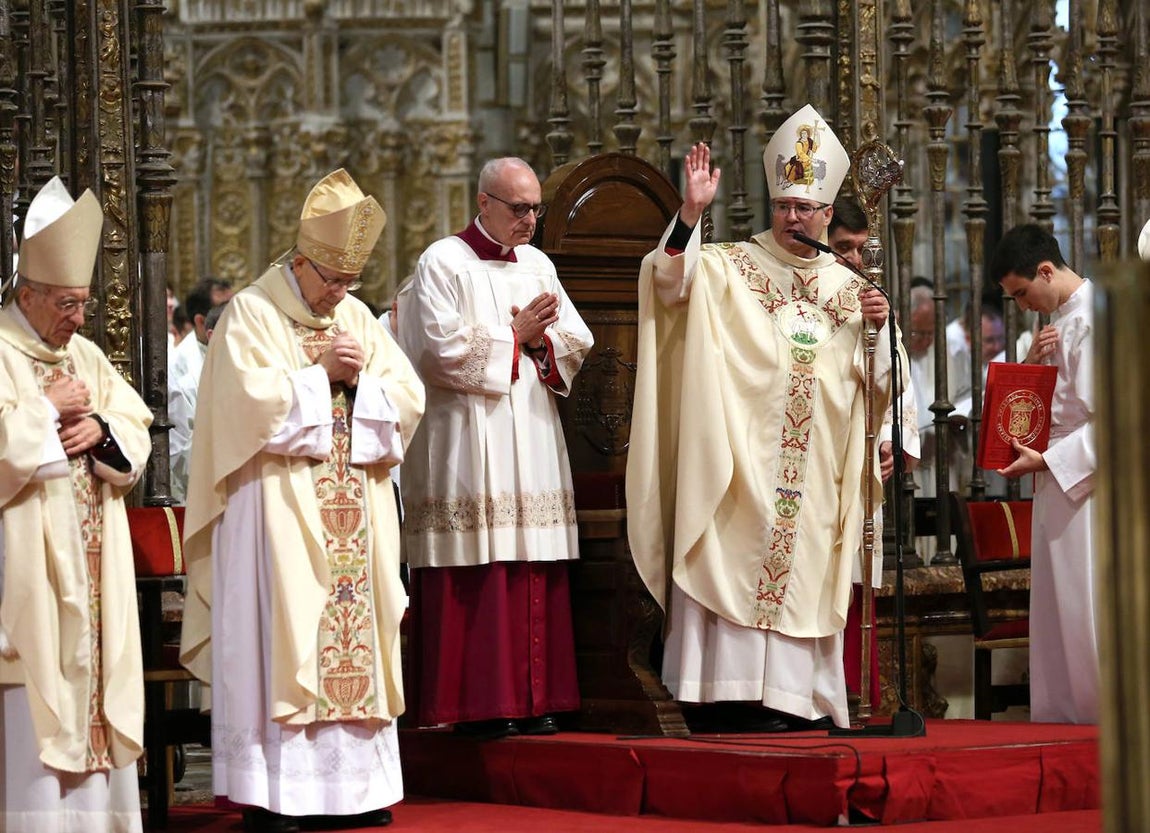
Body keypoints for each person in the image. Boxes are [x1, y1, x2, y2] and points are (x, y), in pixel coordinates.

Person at [628, 105, 905, 733]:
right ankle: (722, 692)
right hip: (740, 459)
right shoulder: (731, 265)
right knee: (730, 554)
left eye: (805, 209)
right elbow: (668, 281)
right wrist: (692, 215)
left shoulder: (849, 285)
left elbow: (885, 384)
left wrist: (877, 331)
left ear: (828, 214)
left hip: (818, 468)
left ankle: (796, 699)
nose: (792, 218)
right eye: (783, 206)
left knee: (805, 575)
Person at [179, 168, 425, 833]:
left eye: (350, 282)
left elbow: (406, 399)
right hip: (275, 511)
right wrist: (321, 377)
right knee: (285, 633)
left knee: (354, 635)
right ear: (300, 261)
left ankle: (353, 789)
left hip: (353, 508)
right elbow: (243, 409)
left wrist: (362, 381)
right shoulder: (252, 315)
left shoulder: (352, 316)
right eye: (331, 280)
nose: (341, 294)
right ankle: (277, 793)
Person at [398, 156, 594, 740]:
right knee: (479, 565)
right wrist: (517, 337)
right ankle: (480, 703)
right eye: (519, 208)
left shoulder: (538, 264)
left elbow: (576, 338)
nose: (530, 219)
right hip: (467, 442)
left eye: (536, 208)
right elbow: (434, 352)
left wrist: (540, 345)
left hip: (530, 431)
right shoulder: (442, 262)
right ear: (483, 203)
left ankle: (539, 697)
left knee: (531, 557)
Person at [0, 176, 153, 832]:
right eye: (67, 303)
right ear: (27, 294)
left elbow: (136, 428)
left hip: (95, 573)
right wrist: (45, 411)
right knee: (35, 708)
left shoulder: (84, 354)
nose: (80, 318)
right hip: (25, 574)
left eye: (85, 302)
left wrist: (104, 432)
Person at [987, 223, 1097, 725]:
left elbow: (1118, 419)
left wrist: (1051, 460)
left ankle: (1091, 724)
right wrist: (1029, 365)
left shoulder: (1096, 319)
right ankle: (1060, 721)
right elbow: (1038, 410)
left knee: (1084, 606)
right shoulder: (1058, 323)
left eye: (1022, 293)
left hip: (1089, 489)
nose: (1022, 306)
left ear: (1047, 270)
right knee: (1057, 611)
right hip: (1057, 480)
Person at [827, 195, 920, 708]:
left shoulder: (871, 297)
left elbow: (896, 381)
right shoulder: (801, 294)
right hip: (814, 460)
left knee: (856, 578)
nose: (856, 261)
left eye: (862, 249)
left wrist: (892, 440)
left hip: (859, 464)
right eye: (844, 248)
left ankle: (855, 689)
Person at [168, 277, 234, 503]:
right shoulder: (180, 370)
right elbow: (180, 447)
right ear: (201, 322)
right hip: (198, 488)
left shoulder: (237, 353)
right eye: (227, 312)